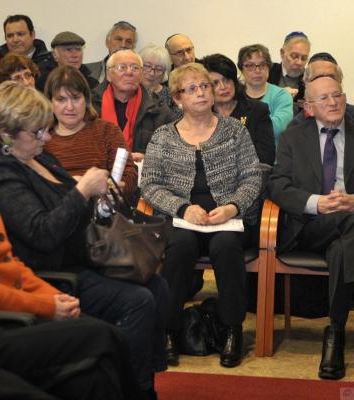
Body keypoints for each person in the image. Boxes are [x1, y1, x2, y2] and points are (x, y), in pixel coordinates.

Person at [0, 81, 168, 399]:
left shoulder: (40, 157)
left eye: (46, 129)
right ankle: (134, 392)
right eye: (37, 132)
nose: (47, 137)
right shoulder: (0, 173)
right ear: (7, 134)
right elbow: (42, 233)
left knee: (157, 287)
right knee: (137, 301)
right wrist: (83, 191)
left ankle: (143, 383)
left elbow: (74, 209)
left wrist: (102, 198)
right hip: (51, 270)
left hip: (84, 255)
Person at [141, 63, 262, 368]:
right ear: (177, 98)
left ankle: (232, 329)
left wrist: (233, 206)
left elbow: (252, 178)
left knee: (226, 247)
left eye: (205, 86)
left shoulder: (235, 130)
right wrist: (183, 208)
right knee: (179, 248)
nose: (201, 93)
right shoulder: (163, 136)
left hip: (228, 216)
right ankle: (167, 331)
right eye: (191, 88)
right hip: (183, 217)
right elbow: (150, 184)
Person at [267, 76, 354, 380]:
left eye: (338, 95)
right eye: (324, 98)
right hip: (309, 226)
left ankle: (335, 333)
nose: (333, 103)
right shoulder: (295, 136)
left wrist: (352, 202)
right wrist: (316, 203)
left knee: (344, 246)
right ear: (308, 107)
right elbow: (277, 185)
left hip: (348, 224)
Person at [44, 65, 138, 201]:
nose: (70, 107)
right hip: (57, 210)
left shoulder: (107, 131)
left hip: (103, 210)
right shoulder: (41, 138)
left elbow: (129, 174)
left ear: (86, 100)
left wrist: (114, 188)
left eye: (75, 98)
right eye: (61, 99)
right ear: (50, 102)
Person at [93, 49, 174, 163]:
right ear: (109, 74)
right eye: (122, 67)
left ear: (141, 75)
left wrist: (148, 159)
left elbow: (173, 150)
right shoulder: (90, 105)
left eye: (135, 68)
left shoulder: (157, 108)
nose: (129, 72)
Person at [201, 53, 275, 166]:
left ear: (234, 81)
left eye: (226, 80)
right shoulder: (202, 115)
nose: (223, 87)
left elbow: (266, 157)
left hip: (251, 176)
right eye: (215, 83)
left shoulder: (258, 110)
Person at [237, 44, 293, 146]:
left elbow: (277, 129)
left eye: (262, 65)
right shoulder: (235, 96)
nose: (257, 71)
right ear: (241, 69)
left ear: (269, 67)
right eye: (250, 65)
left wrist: (242, 125)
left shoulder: (281, 95)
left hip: (273, 159)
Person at [291, 52, 354, 125]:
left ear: (340, 82)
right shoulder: (296, 126)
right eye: (318, 78)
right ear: (307, 85)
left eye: (331, 77)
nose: (325, 83)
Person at [268, 31, 310, 110]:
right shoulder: (268, 71)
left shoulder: (310, 79)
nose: (299, 62)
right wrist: (279, 96)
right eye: (294, 56)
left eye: (304, 58)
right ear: (282, 53)